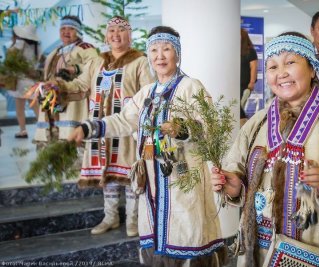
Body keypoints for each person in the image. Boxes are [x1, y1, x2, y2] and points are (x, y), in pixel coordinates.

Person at [210, 32, 319, 266]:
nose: (281, 73)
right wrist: (234, 186)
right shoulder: (257, 122)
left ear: (312, 69)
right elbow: (235, 169)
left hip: (311, 250)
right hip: (255, 251)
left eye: (290, 62)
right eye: (272, 66)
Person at [68, 26, 227, 266]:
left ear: (178, 54)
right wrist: (90, 128)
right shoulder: (147, 93)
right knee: (156, 240)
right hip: (152, 181)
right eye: (154, 50)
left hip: (182, 180)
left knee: (186, 235)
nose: (159, 56)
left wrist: (182, 128)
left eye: (166, 49)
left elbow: (210, 126)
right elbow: (124, 120)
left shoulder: (191, 87)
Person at [47, 16, 154, 237]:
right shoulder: (97, 61)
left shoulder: (140, 61)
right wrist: (57, 86)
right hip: (98, 129)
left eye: (121, 30)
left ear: (129, 35)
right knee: (108, 175)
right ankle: (111, 217)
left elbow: (148, 94)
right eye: (112, 30)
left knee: (130, 174)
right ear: (106, 35)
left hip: (126, 130)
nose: (116, 35)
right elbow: (81, 85)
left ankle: (133, 220)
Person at [34, 15, 98, 145]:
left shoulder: (85, 48)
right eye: (63, 28)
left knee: (69, 135)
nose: (66, 32)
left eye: (71, 29)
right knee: (53, 129)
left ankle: (71, 152)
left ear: (78, 32)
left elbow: (95, 66)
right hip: (52, 97)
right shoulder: (56, 51)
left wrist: (75, 68)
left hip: (73, 97)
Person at [6, 24, 40, 138]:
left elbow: (10, 55)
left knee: (19, 108)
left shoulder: (20, 43)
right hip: (32, 80)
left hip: (20, 80)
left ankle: (23, 131)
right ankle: (44, 129)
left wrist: (13, 42)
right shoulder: (37, 46)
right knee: (36, 107)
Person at [240, 28, 258, 126]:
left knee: (239, 106)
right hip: (235, 83)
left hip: (245, 84)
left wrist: (251, 82)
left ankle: (244, 125)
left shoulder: (250, 51)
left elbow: (254, 67)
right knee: (238, 106)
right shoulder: (235, 51)